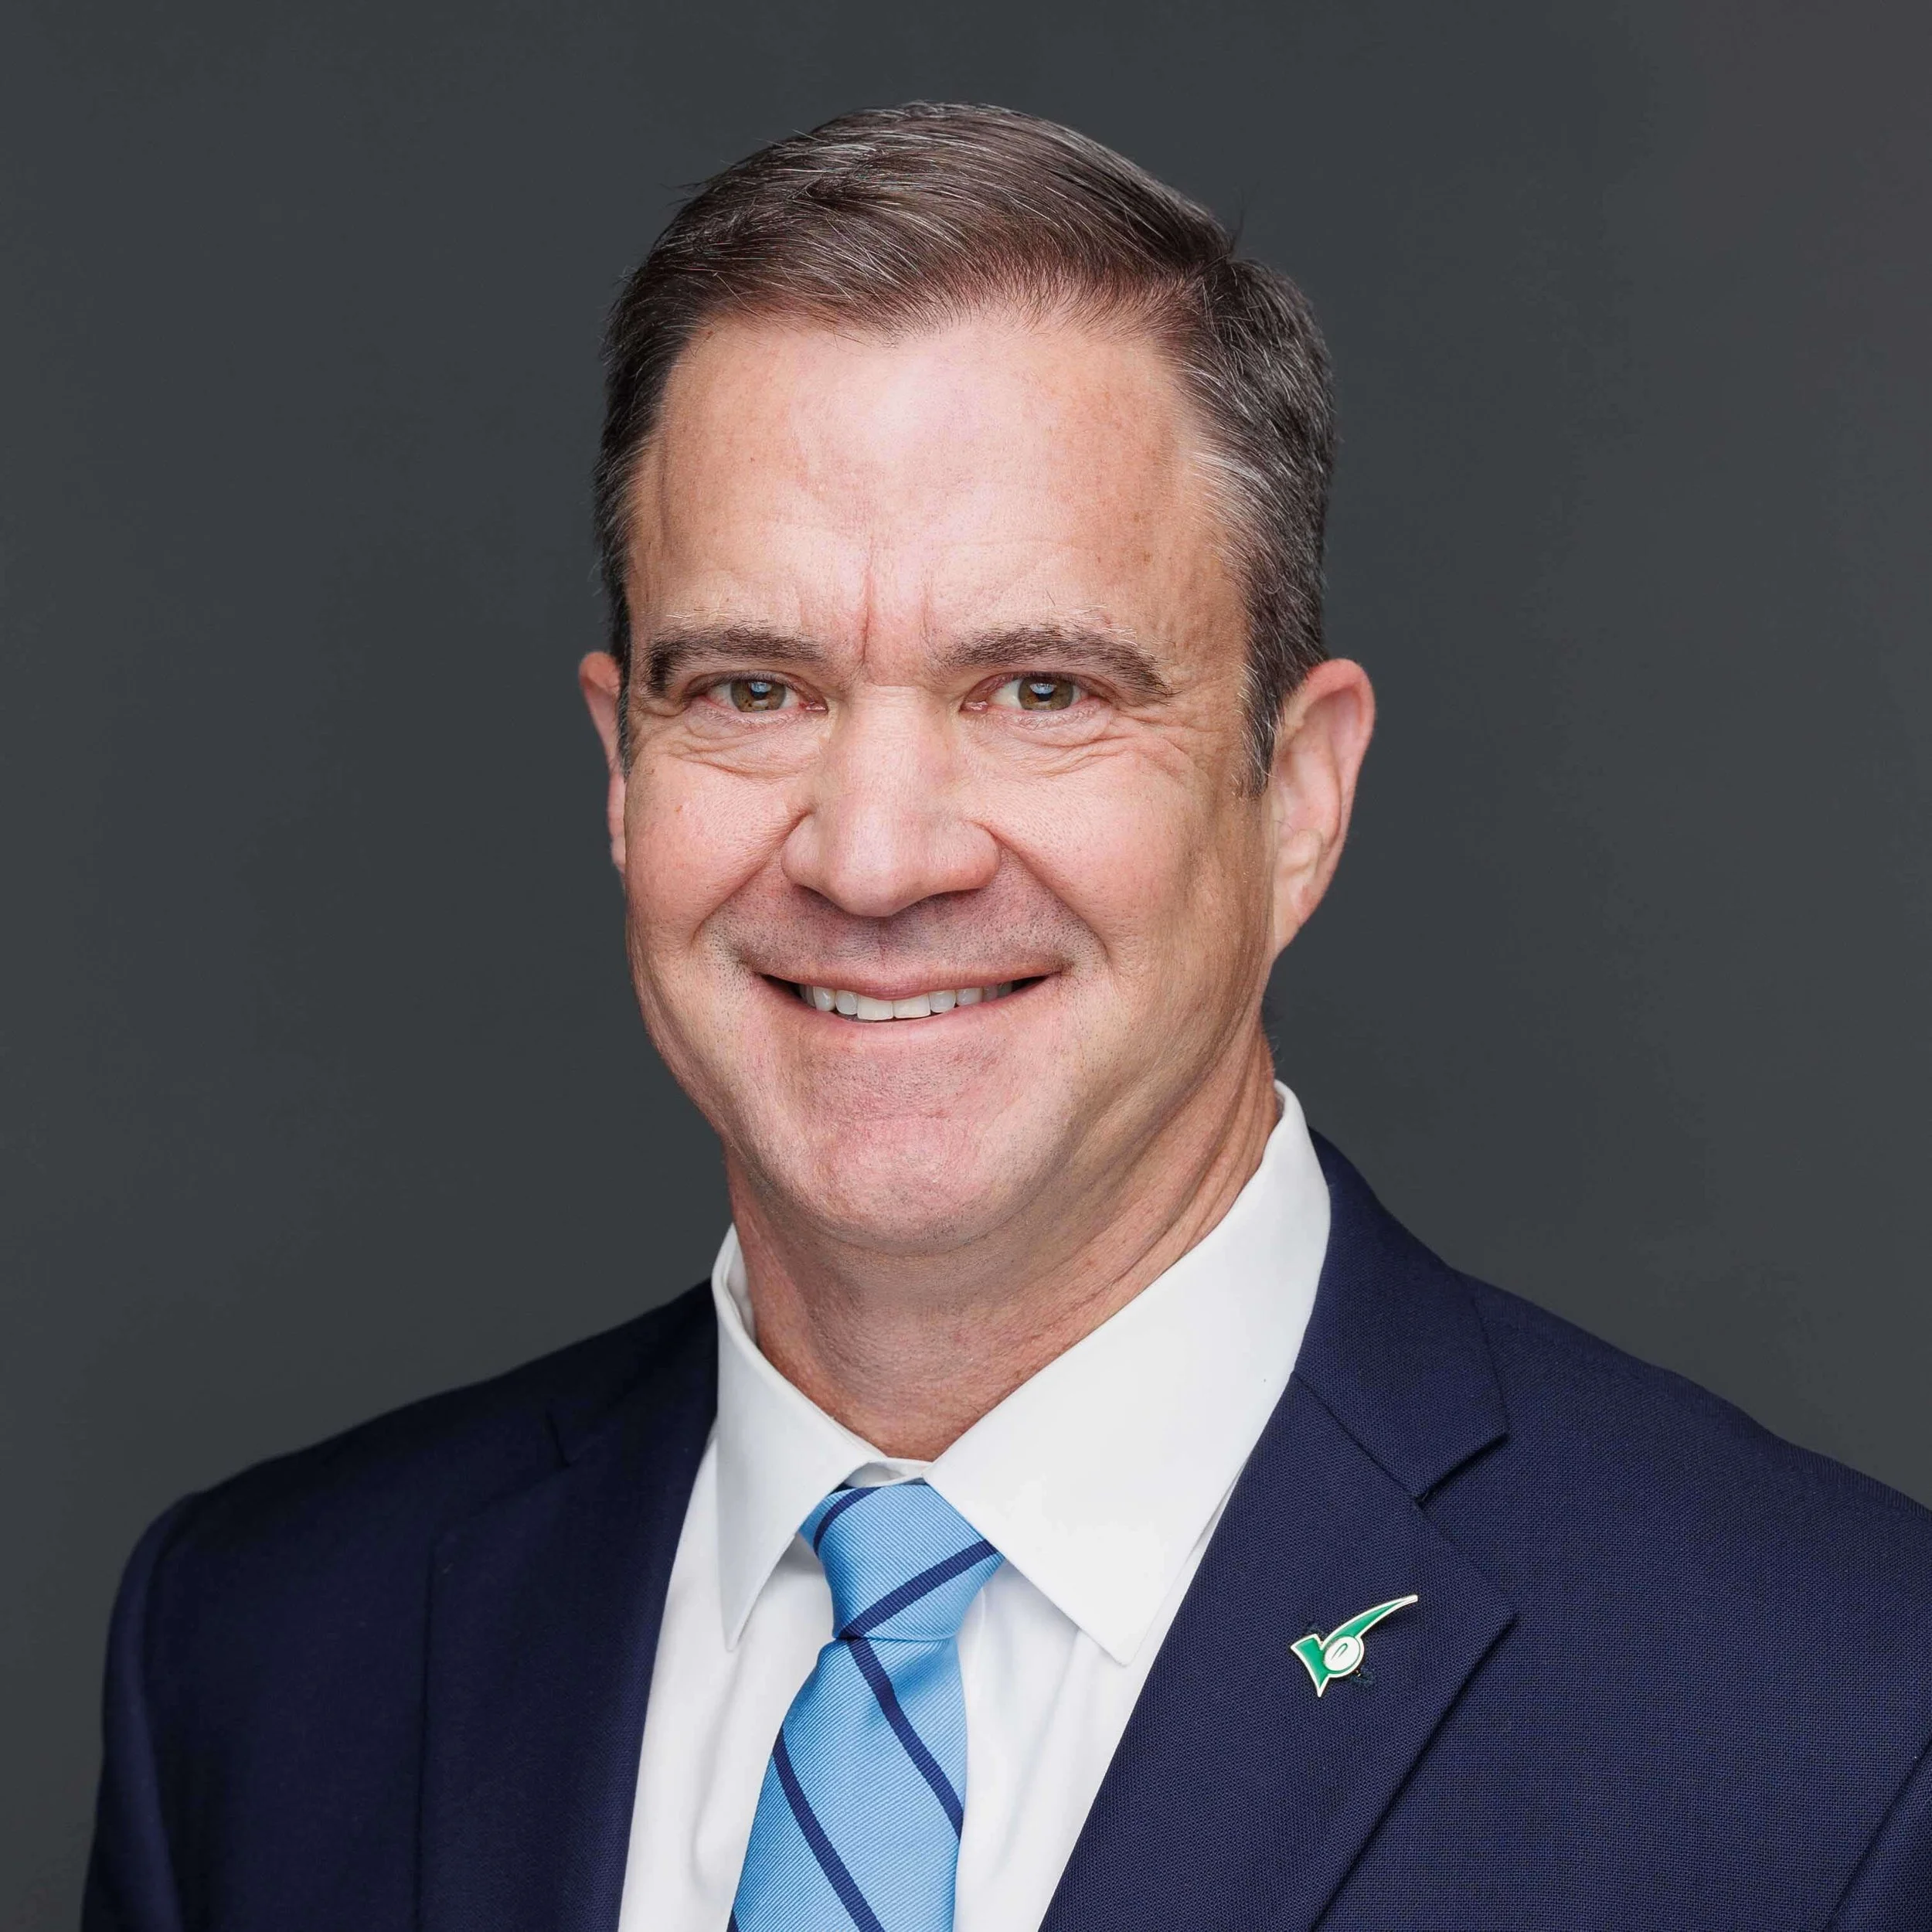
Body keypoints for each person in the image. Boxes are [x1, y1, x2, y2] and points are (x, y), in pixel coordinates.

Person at [85, 104, 1932, 1932]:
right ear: (622, 772)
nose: (875, 855)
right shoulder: (257, 1653)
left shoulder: (1830, 1727)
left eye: (1039, 688)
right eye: (752, 686)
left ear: (1294, 797)